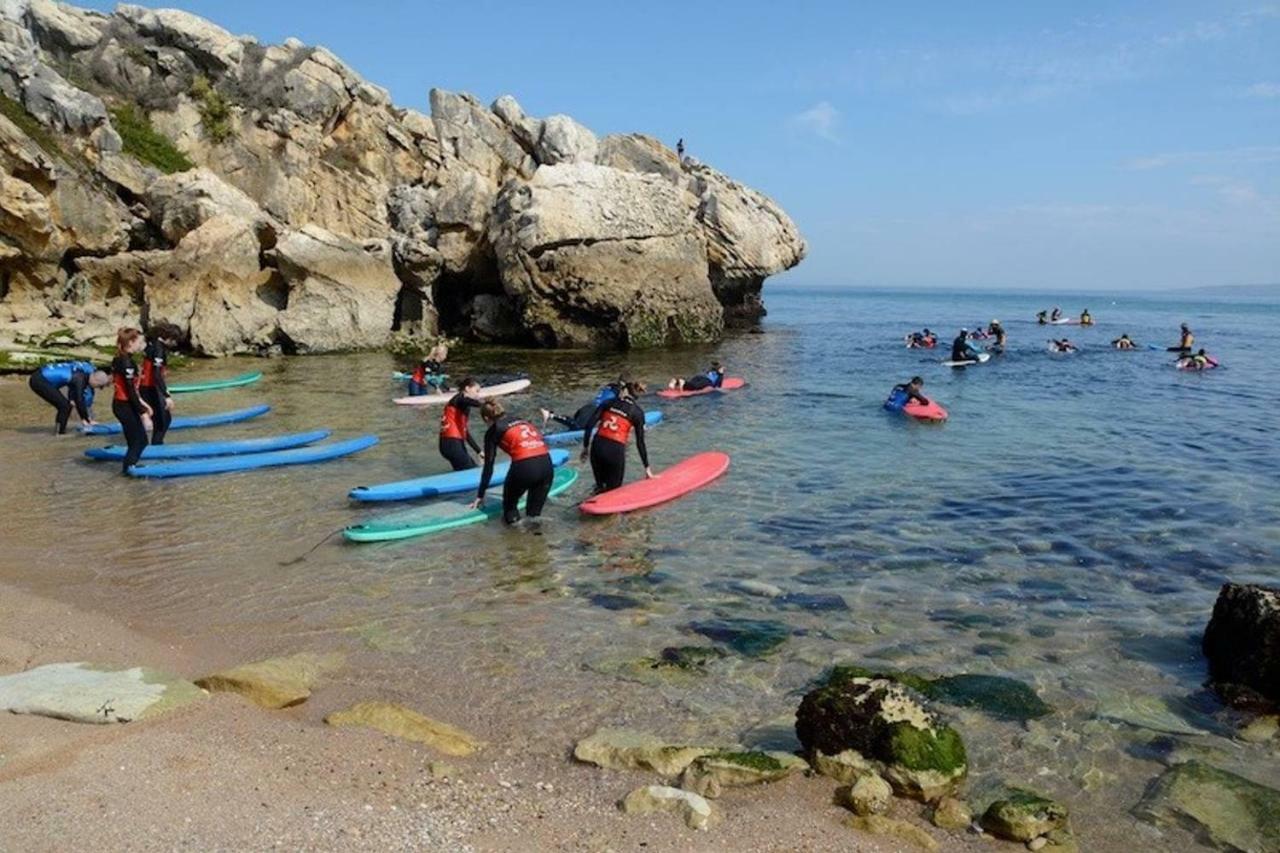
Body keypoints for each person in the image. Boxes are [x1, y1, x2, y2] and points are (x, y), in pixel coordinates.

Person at [471, 400, 555, 525]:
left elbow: (489, 465)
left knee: (510, 509)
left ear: (486, 418)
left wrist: (480, 495)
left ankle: (514, 541)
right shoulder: (522, 420)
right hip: (547, 464)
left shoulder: (494, 430)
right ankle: (537, 541)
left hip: (525, 466)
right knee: (534, 516)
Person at [581, 380, 654, 493]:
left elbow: (589, 425)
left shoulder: (608, 403)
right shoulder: (638, 412)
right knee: (613, 492)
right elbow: (640, 443)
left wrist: (585, 448)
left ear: (624, 391)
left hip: (597, 446)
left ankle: (590, 504)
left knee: (600, 487)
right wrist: (647, 468)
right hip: (615, 450)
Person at [110, 327, 152, 474]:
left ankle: (129, 469)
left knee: (140, 441)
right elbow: (129, 391)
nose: (141, 345)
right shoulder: (126, 363)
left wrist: (144, 404)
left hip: (124, 404)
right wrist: (143, 414)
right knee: (137, 442)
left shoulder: (121, 359)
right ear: (131, 342)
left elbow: (133, 389)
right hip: (124, 406)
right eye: (139, 342)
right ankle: (128, 471)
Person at [28, 360, 110, 434]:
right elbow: (79, 400)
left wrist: (83, 417)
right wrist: (87, 420)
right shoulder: (80, 379)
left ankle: (59, 430)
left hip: (40, 376)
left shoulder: (81, 373)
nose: (99, 389)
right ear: (95, 381)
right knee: (64, 406)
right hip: (39, 380)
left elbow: (74, 392)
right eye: (100, 386)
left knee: (65, 405)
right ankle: (60, 433)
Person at [140, 323, 179, 445]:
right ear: (169, 338)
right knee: (164, 420)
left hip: (146, 386)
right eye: (174, 341)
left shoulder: (152, 343)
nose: (175, 344)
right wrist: (166, 395)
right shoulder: (159, 349)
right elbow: (156, 374)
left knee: (160, 418)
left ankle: (153, 443)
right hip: (149, 387)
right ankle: (156, 444)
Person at [540, 377, 627, 431]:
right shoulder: (619, 392)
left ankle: (555, 418)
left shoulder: (610, 386)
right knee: (578, 427)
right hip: (592, 410)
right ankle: (550, 415)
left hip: (588, 407)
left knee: (574, 424)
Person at [438, 378, 484, 471]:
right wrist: (485, 404)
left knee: (471, 469)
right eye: (476, 391)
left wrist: (478, 451)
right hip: (451, 444)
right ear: (467, 389)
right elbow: (466, 401)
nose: (478, 395)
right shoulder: (458, 399)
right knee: (471, 472)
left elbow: (465, 432)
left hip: (452, 444)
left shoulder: (463, 407)